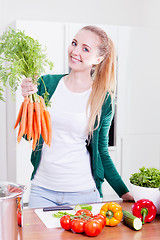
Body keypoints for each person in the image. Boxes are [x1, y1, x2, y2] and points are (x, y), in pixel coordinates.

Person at [21, 25, 133, 208]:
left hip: (83, 193)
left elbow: (102, 152)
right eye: (74, 43)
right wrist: (28, 101)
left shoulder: (103, 99)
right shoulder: (45, 84)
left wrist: (123, 191)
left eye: (85, 48)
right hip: (42, 190)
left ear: (98, 59)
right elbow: (29, 136)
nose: (75, 51)